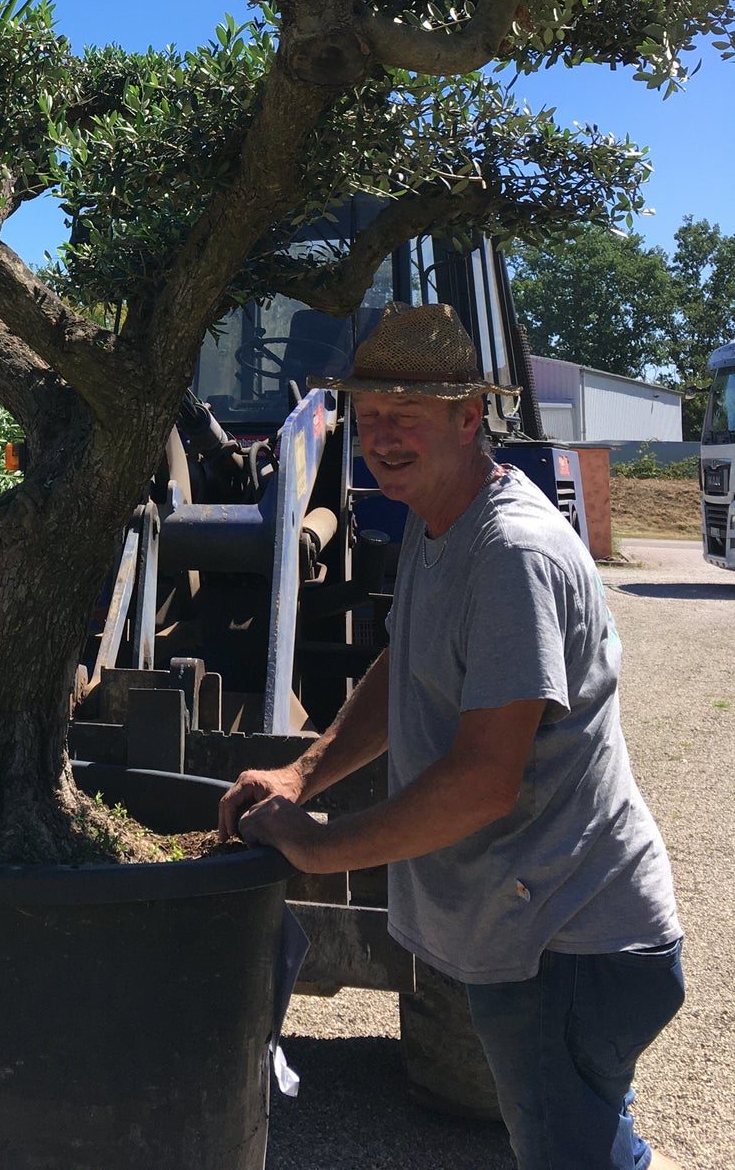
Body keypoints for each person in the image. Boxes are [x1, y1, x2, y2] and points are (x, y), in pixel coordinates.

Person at [219, 302, 685, 1170]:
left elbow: (482, 780)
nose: (382, 436)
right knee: (591, 1133)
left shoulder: (511, 552)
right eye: (370, 415)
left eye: (408, 415)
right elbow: (408, 661)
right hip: (537, 930)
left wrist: (325, 849)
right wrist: (302, 776)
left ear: (470, 416)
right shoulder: (441, 526)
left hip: (565, 945)